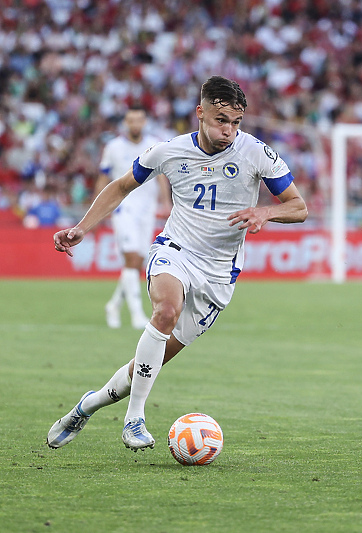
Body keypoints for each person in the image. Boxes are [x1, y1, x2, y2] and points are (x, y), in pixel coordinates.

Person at [47, 76, 308, 451]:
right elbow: (122, 186)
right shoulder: (167, 151)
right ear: (200, 113)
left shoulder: (256, 153)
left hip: (219, 276)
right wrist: (82, 228)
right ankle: (134, 419)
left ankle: (87, 405)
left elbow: (299, 207)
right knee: (165, 311)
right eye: (221, 120)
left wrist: (266, 211)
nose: (229, 131)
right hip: (175, 251)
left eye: (236, 123)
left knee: (143, 367)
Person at [95, 105, 169, 329]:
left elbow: (161, 177)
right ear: (125, 123)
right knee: (131, 258)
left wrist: (166, 202)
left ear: (144, 122)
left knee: (138, 261)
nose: (135, 124)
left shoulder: (153, 145)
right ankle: (137, 313)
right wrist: (98, 209)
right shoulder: (114, 147)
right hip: (123, 208)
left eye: (139, 120)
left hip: (146, 209)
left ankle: (114, 304)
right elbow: (103, 178)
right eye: (131, 120)